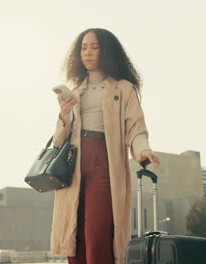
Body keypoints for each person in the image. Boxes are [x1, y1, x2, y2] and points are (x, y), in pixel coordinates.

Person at [49, 28, 161, 264]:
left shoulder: (123, 88)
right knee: (74, 237)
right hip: (73, 165)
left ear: (106, 51)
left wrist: (143, 150)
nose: (87, 52)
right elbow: (59, 140)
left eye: (94, 47)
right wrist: (64, 113)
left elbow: (135, 127)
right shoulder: (76, 91)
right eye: (83, 47)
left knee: (97, 234)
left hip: (104, 162)